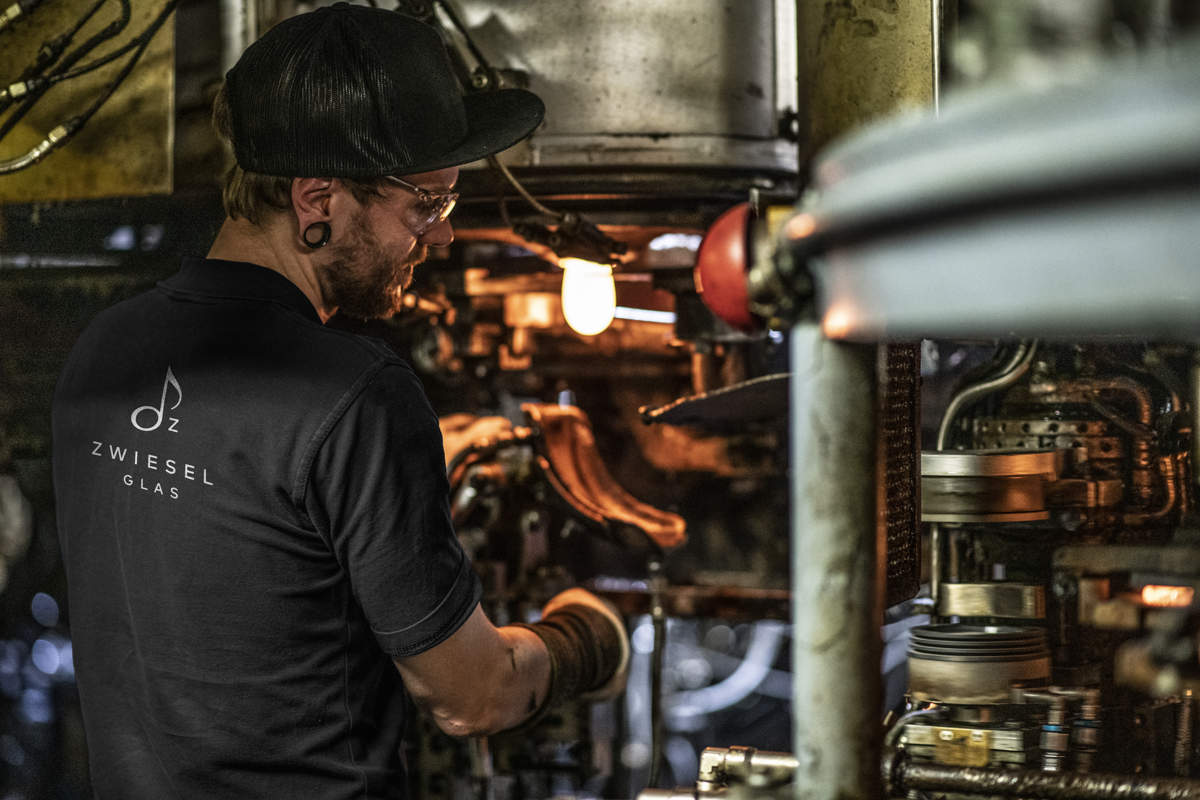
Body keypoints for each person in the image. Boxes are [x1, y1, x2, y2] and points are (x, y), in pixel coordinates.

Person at [51, 5, 627, 798]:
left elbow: (232, 539)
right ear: (317, 199)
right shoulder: (356, 396)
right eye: (426, 205)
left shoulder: (100, 352)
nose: (441, 238)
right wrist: (586, 637)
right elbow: (474, 696)